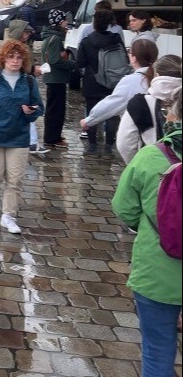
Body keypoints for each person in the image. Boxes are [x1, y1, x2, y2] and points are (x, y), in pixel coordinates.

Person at [111, 87, 182, 377]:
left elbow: (123, 208)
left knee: (157, 350)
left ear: (174, 115)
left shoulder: (150, 157)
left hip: (157, 272)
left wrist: (156, 225)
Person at [0, 39, 45, 234]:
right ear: (3, 58)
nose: (15, 61)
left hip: (18, 136)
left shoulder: (28, 81)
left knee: (15, 179)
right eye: (11, 57)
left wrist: (32, 112)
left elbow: (39, 106)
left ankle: (8, 215)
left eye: (19, 58)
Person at [79, 38, 159, 152]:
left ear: (134, 58)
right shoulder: (160, 78)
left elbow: (111, 104)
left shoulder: (131, 81)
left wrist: (89, 120)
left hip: (143, 142)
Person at [77, 9, 133, 153]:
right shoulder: (116, 38)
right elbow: (124, 60)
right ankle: (109, 146)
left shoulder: (86, 41)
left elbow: (80, 63)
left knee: (92, 113)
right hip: (114, 81)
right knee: (112, 114)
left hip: (92, 82)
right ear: (109, 24)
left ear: (94, 23)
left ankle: (92, 145)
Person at [117, 55, 182, 163]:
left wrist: (138, 166)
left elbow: (125, 143)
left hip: (151, 167)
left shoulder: (140, 103)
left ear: (156, 75)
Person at [6, 20, 46, 153]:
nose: (28, 34)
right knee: (26, 111)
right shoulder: (12, 48)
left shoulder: (23, 45)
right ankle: (30, 143)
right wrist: (33, 70)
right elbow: (18, 68)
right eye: (26, 32)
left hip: (24, 83)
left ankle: (31, 142)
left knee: (29, 111)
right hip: (17, 85)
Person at [40, 9, 77, 148]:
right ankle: (52, 138)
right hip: (56, 78)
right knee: (56, 110)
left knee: (53, 109)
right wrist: (72, 64)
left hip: (53, 78)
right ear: (60, 22)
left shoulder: (51, 37)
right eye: (65, 21)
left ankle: (53, 135)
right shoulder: (55, 39)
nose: (67, 23)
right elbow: (55, 60)